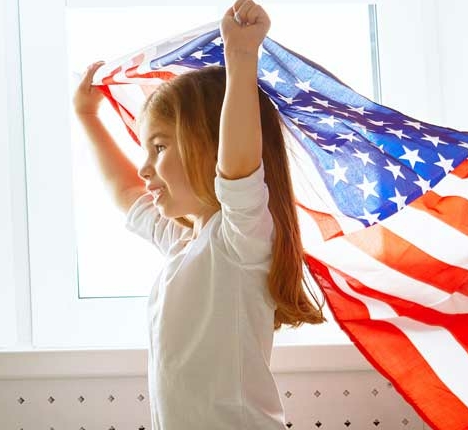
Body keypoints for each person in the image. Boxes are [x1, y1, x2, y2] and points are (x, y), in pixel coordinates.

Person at [71, 0, 325, 427]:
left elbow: (240, 168)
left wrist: (241, 59)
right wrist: (86, 116)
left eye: (160, 146)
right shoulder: (184, 242)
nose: (144, 166)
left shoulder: (239, 240)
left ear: (211, 150)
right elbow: (128, 192)